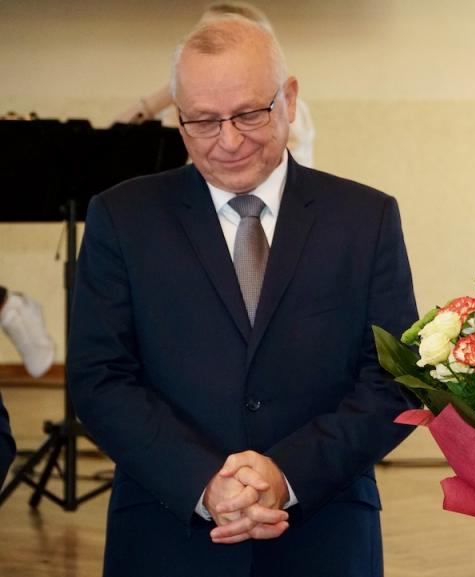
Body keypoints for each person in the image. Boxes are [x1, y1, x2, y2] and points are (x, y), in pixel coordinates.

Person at [68, 15, 417, 577]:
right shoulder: (123, 217)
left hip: (324, 535)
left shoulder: (364, 218)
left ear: (290, 99)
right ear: (178, 118)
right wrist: (203, 481)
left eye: (249, 114)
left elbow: (393, 380)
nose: (229, 141)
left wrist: (288, 476)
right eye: (203, 121)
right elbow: (100, 377)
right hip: (167, 536)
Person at [115, 2, 316, 167]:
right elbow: (115, 141)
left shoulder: (282, 108)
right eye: (200, 37)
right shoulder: (189, 111)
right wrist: (175, 87)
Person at [0, 287, 55, 378]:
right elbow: (37, 307)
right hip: (46, 355)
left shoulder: (10, 318)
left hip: (40, 365)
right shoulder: (18, 303)